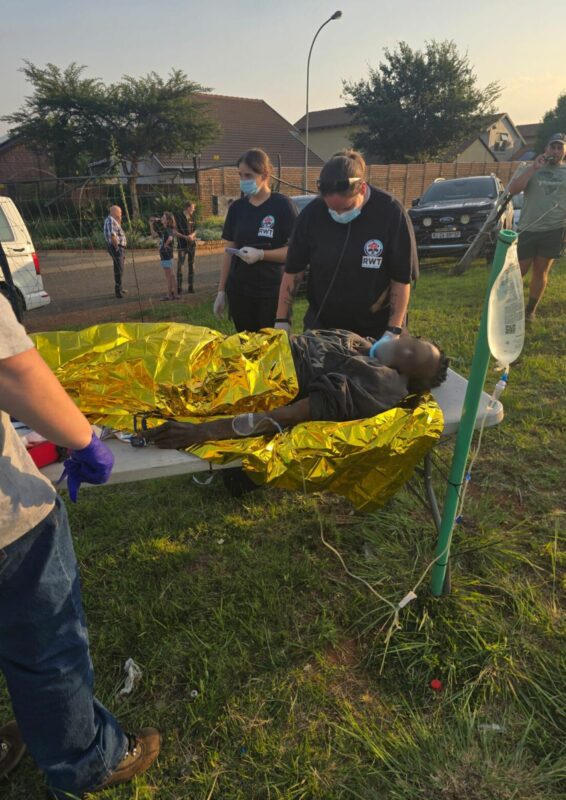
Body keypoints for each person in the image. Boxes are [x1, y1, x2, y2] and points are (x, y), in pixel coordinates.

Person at [0, 294, 160, 798]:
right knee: (47, 646)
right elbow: (12, 371)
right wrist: (84, 438)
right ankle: (85, 761)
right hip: (8, 522)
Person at [142, 329, 448, 449]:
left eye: (411, 351)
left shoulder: (376, 385)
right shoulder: (365, 346)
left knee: (147, 376)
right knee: (156, 346)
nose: (404, 338)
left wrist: (201, 432)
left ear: (402, 374)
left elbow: (288, 415)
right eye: (414, 340)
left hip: (246, 377)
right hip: (242, 349)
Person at [274, 150, 418, 350]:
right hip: (324, 326)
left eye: (346, 208)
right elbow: (293, 271)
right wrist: (282, 321)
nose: (339, 214)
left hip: (376, 329)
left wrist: (393, 331)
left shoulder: (391, 213)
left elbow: (401, 279)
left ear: (362, 188)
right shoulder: (311, 215)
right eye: (332, 209)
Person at [214, 148, 298, 331]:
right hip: (240, 291)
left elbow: (295, 252)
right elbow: (229, 251)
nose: (243, 180)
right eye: (240, 175)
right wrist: (221, 290)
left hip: (271, 291)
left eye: (249, 175)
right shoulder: (237, 209)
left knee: (270, 345)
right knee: (246, 344)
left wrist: (261, 254)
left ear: (265, 174)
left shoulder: (282, 205)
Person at [507, 132, 566, 321]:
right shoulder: (532, 168)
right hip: (529, 228)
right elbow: (513, 189)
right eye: (552, 147)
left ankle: (530, 310)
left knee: (541, 270)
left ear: (564, 151)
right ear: (546, 149)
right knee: (519, 271)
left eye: (560, 148)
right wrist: (533, 168)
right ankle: (507, 307)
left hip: (554, 229)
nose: (555, 151)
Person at [150, 211, 178, 301]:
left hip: (166, 254)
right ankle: (175, 294)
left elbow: (170, 238)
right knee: (171, 275)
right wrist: (151, 224)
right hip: (166, 254)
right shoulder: (164, 230)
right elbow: (154, 235)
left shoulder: (168, 230)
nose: (161, 218)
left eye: (163, 217)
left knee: (169, 275)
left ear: (168, 220)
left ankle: (169, 295)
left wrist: (165, 245)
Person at [103, 205, 128, 299]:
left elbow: (117, 231)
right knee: (118, 268)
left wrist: (119, 219)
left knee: (120, 268)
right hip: (116, 247)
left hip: (119, 247)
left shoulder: (114, 220)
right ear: (114, 212)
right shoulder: (110, 220)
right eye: (120, 212)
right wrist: (117, 248)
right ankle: (118, 291)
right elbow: (112, 235)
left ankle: (120, 287)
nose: (121, 214)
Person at [175, 201, 197, 294]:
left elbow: (196, 229)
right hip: (182, 245)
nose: (194, 209)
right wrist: (185, 237)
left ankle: (191, 286)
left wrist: (192, 235)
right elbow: (174, 231)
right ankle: (179, 287)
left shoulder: (192, 217)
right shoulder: (178, 217)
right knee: (180, 266)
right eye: (192, 208)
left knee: (192, 265)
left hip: (192, 245)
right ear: (188, 207)